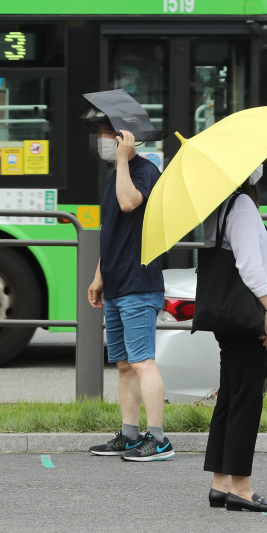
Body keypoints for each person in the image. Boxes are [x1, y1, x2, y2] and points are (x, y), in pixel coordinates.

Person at [202, 167, 267, 512]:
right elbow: (248, 264)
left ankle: (221, 482)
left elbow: (240, 254)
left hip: (225, 311)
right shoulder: (241, 205)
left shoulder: (220, 205)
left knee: (231, 394)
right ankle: (241, 486)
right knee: (246, 399)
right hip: (245, 313)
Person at [87, 126, 173, 462]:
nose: (103, 140)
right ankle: (129, 434)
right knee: (124, 365)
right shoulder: (116, 175)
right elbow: (111, 231)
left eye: (109, 133)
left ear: (128, 137)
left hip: (139, 284)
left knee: (142, 362)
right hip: (117, 284)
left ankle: (159, 439)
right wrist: (99, 277)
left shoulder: (145, 170)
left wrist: (124, 160)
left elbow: (128, 203)